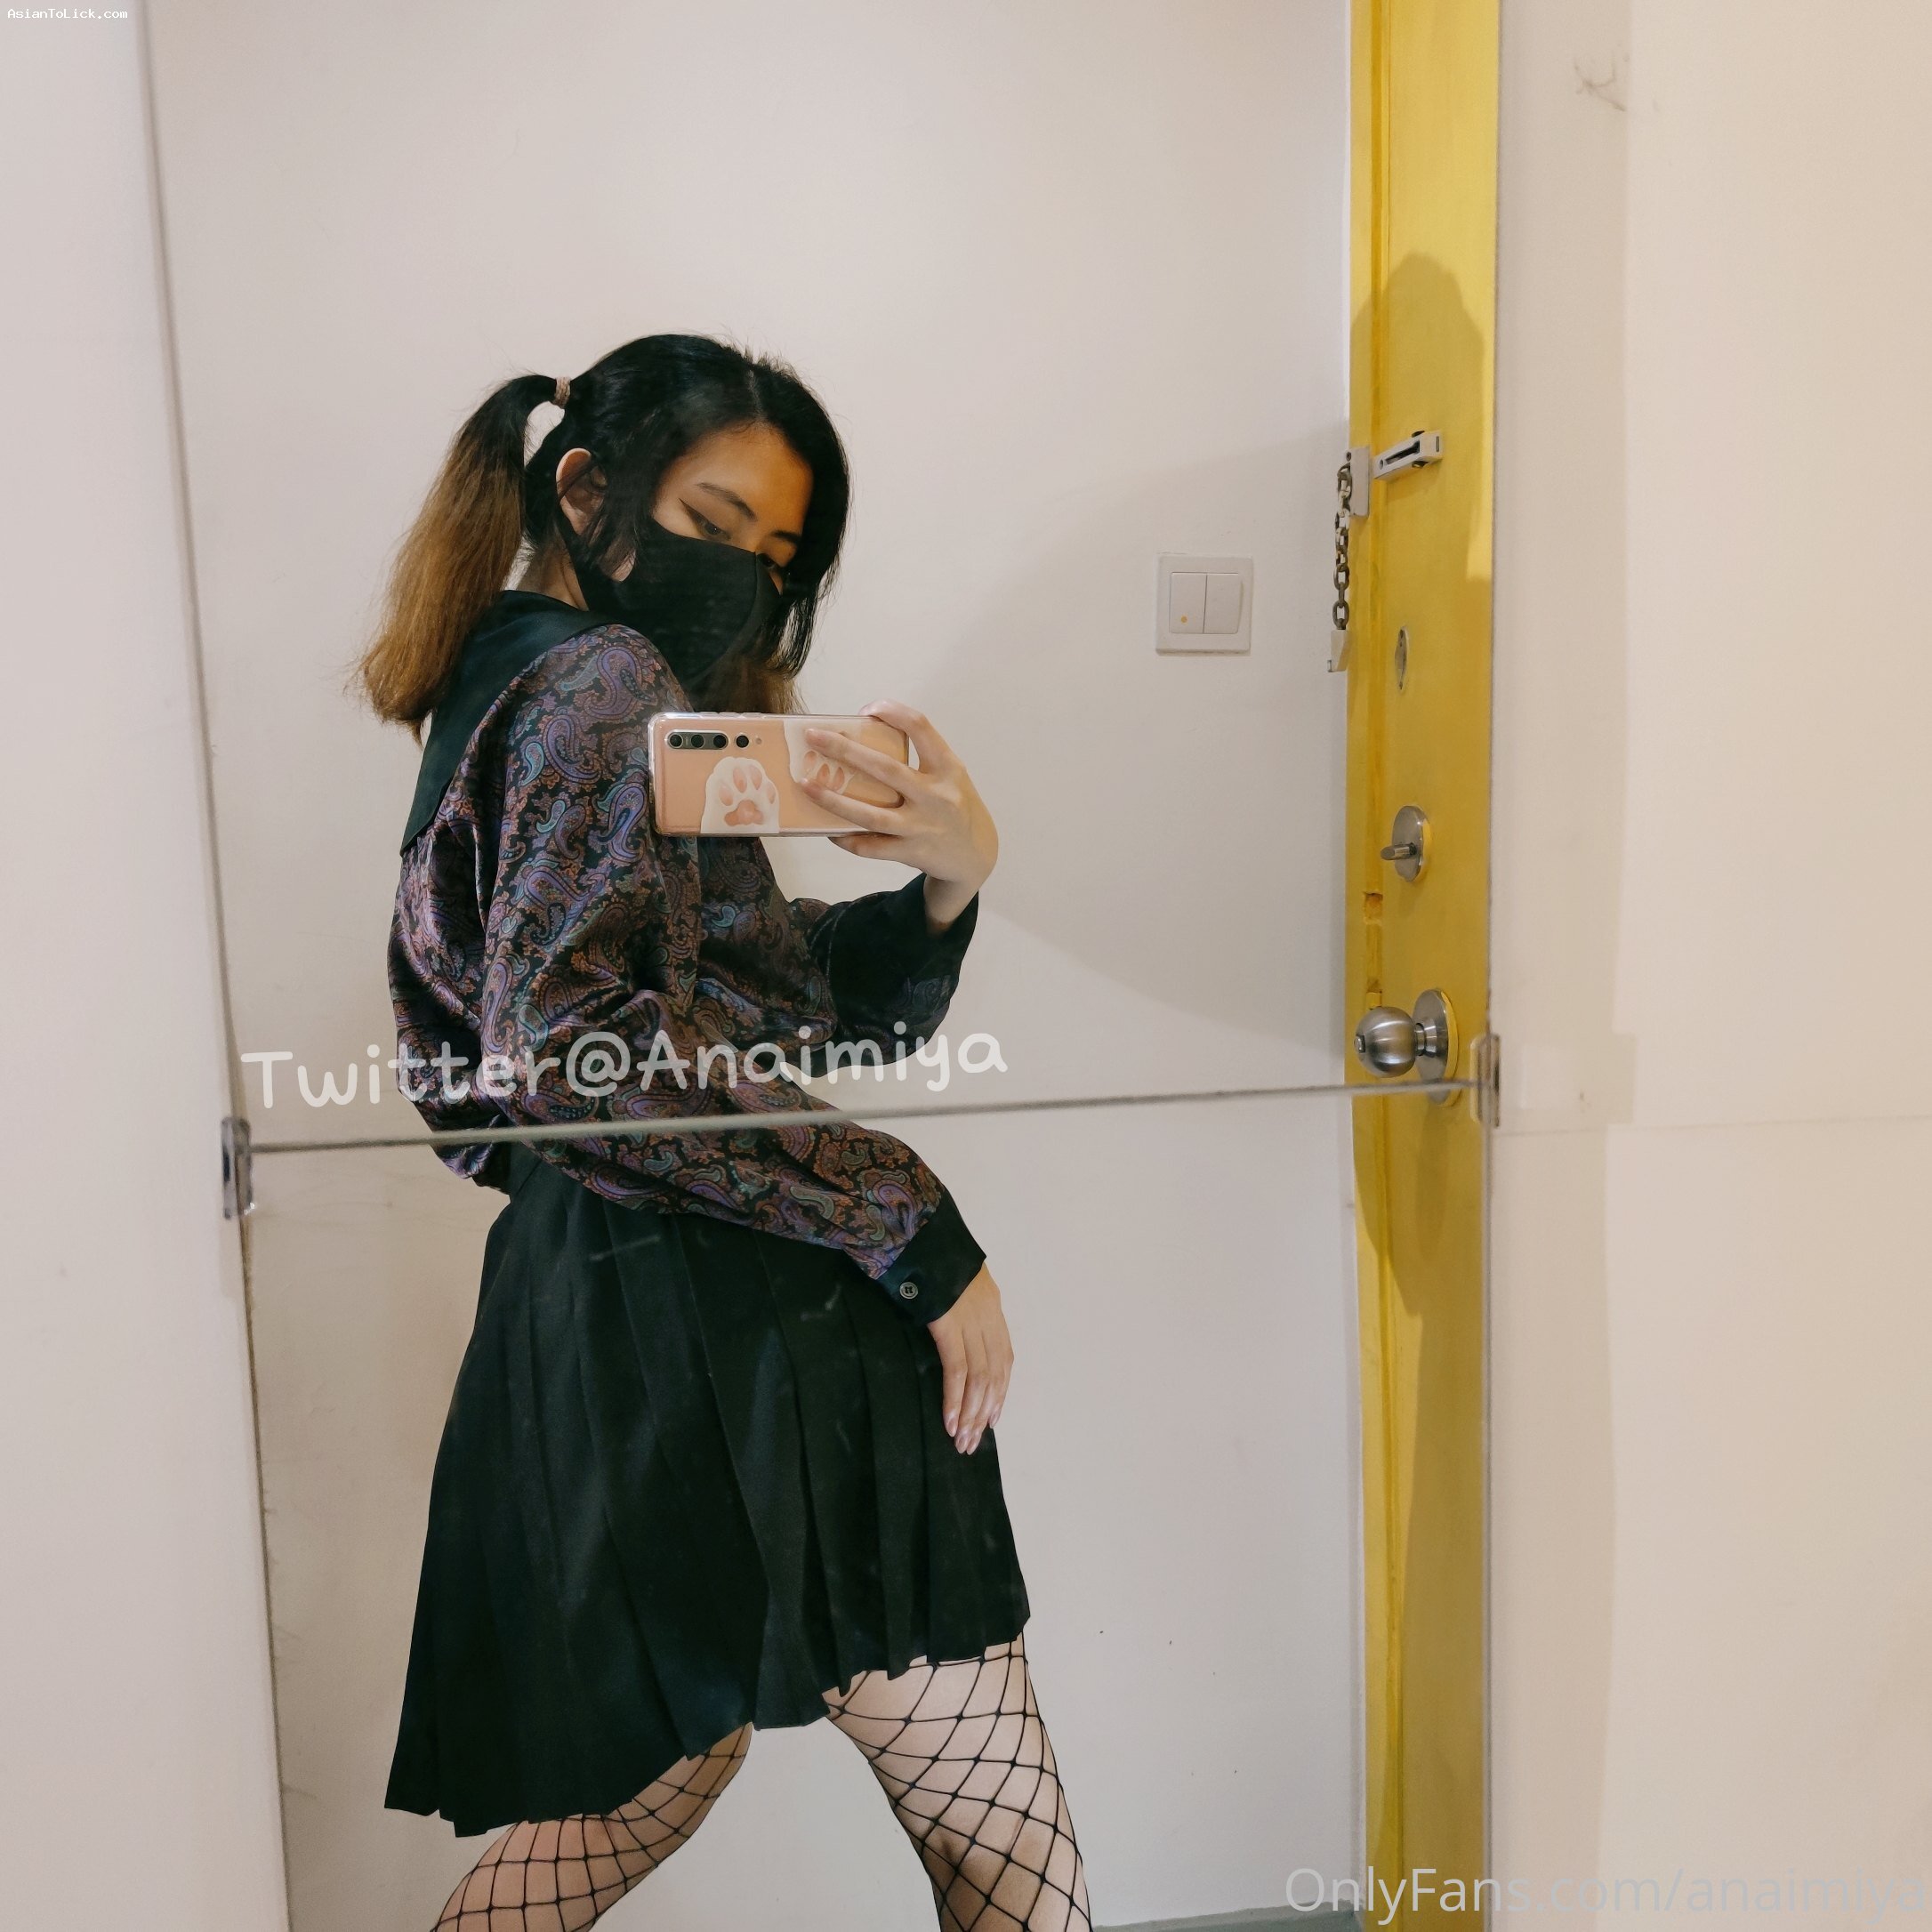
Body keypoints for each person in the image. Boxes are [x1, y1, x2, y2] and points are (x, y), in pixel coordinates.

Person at [358, 334, 1091, 1931]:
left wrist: (946, 882)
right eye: (713, 521)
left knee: (640, 1800)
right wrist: (907, 1215)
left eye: (777, 555)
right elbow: (573, 1055)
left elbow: (740, 1015)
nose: (744, 579)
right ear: (584, 488)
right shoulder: (601, 684)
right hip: (726, 1308)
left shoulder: (519, 677)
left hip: (608, 1307)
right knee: (1006, 1844)